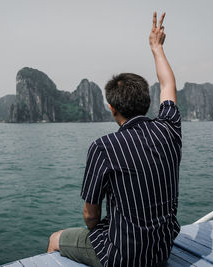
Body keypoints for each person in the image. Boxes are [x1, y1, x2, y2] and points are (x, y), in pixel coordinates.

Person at [47, 11, 181, 267]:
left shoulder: (103, 148)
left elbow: (90, 215)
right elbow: (168, 85)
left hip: (122, 257)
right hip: (162, 250)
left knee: (55, 239)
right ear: (148, 101)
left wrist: (105, 233)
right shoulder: (170, 129)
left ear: (112, 108)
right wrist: (157, 48)